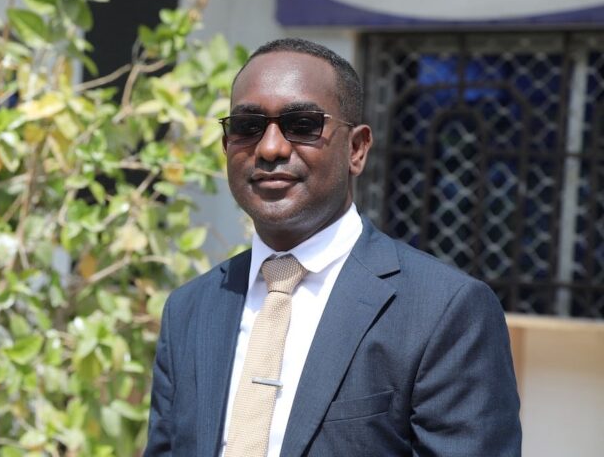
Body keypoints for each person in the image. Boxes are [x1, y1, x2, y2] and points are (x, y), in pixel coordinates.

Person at [145, 38, 521, 456]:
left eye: (303, 124)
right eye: (248, 127)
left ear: (356, 149)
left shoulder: (443, 312)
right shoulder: (190, 310)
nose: (270, 148)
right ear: (226, 146)